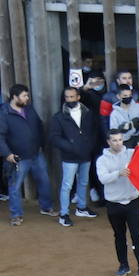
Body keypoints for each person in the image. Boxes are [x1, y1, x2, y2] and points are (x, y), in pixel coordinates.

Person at [95, 130, 139, 276]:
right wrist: (118, 173)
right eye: (114, 140)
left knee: (137, 236)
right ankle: (123, 265)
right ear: (108, 142)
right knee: (119, 236)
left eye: (120, 140)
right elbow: (103, 179)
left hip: (133, 201)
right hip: (114, 203)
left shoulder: (131, 153)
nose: (118, 143)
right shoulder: (102, 160)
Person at [0, 85, 54, 225]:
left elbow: (39, 126)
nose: (27, 98)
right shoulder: (4, 113)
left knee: (44, 181)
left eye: (27, 96)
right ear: (14, 97)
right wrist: (7, 154)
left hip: (36, 153)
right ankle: (16, 215)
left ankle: (46, 207)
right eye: (24, 96)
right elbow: (0, 136)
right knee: (15, 186)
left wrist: (42, 145)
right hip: (17, 157)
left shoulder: (29, 109)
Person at [50, 85, 103, 226]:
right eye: (67, 97)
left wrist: (89, 145)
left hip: (85, 154)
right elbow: (54, 138)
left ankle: (82, 207)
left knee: (84, 182)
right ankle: (64, 213)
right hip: (69, 156)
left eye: (72, 97)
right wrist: (70, 147)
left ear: (78, 97)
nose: (69, 99)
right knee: (67, 185)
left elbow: (94, 132)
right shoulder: (59, 117)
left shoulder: (88, 114)